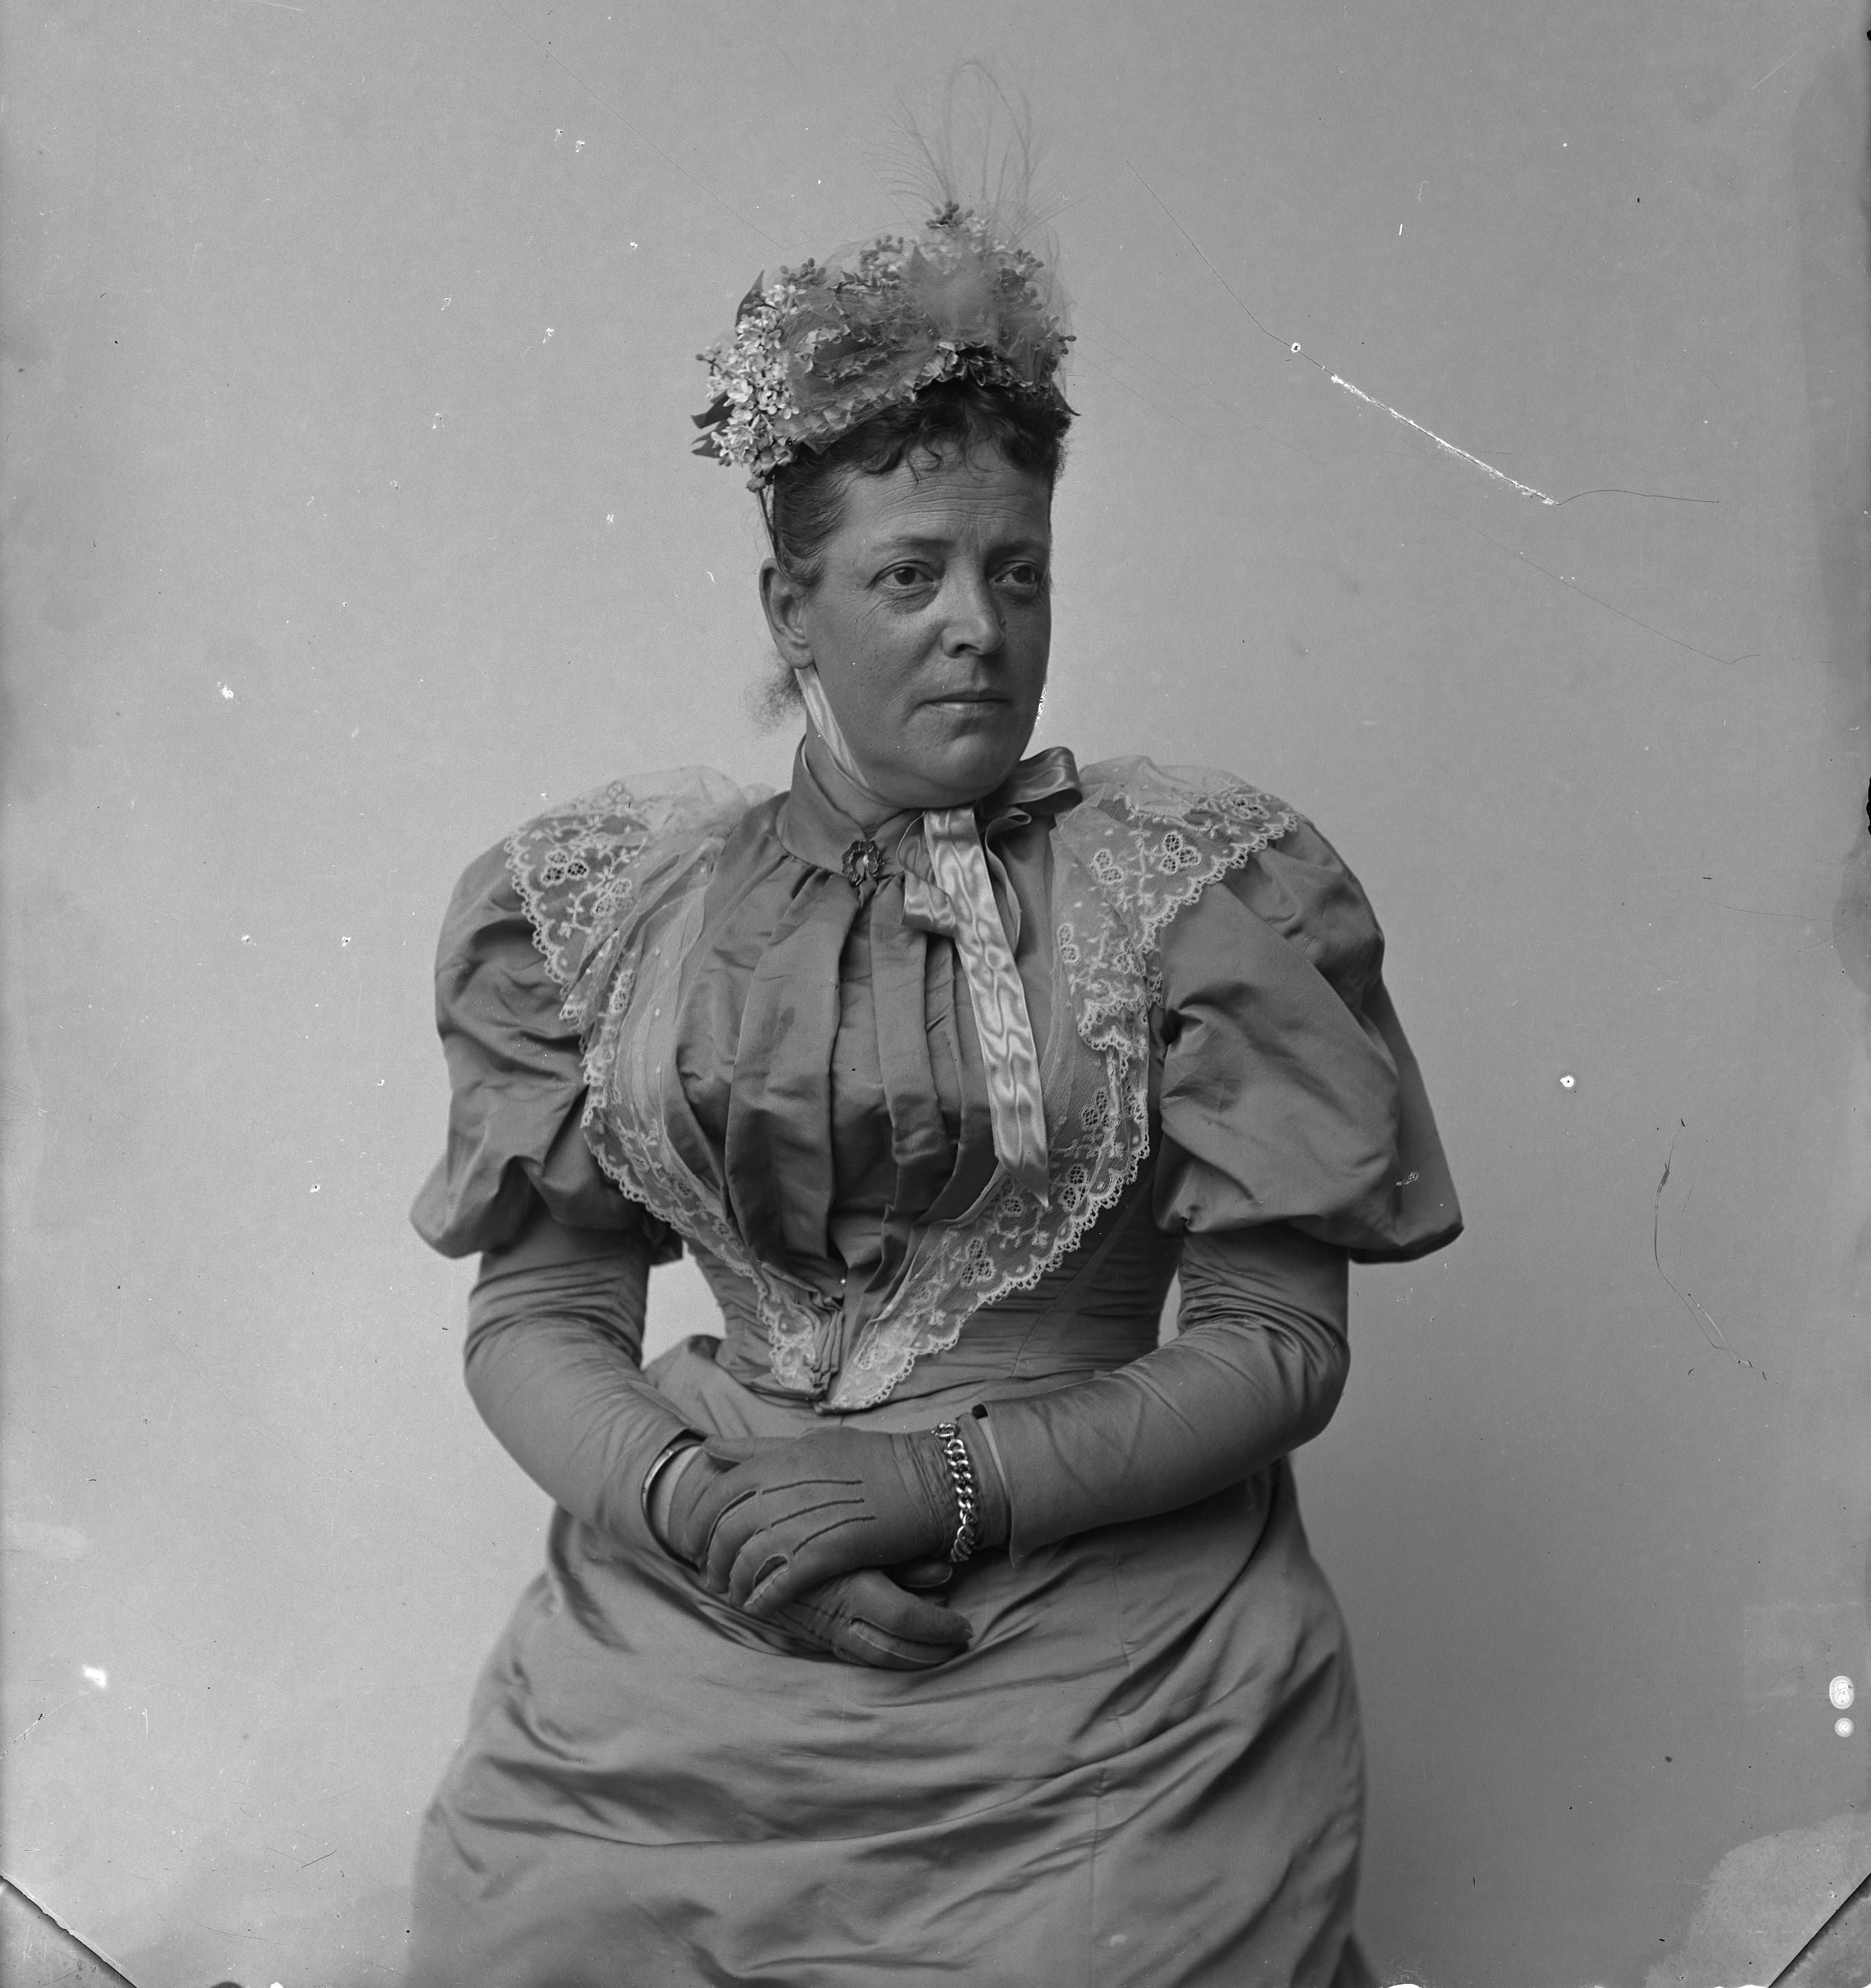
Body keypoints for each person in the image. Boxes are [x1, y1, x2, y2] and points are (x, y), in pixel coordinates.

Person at [405, 182, 1461, 1988]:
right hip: (699, 1615)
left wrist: (934, 1488)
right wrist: (693, 1504)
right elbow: (541, 1309)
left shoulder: (1198, 888)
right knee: (536, 1929)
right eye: (911, 575)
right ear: (791, 607)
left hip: (1108, 1668)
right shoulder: (609, 907)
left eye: (1016, 570)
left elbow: (1284, 1343)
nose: (979, 624)